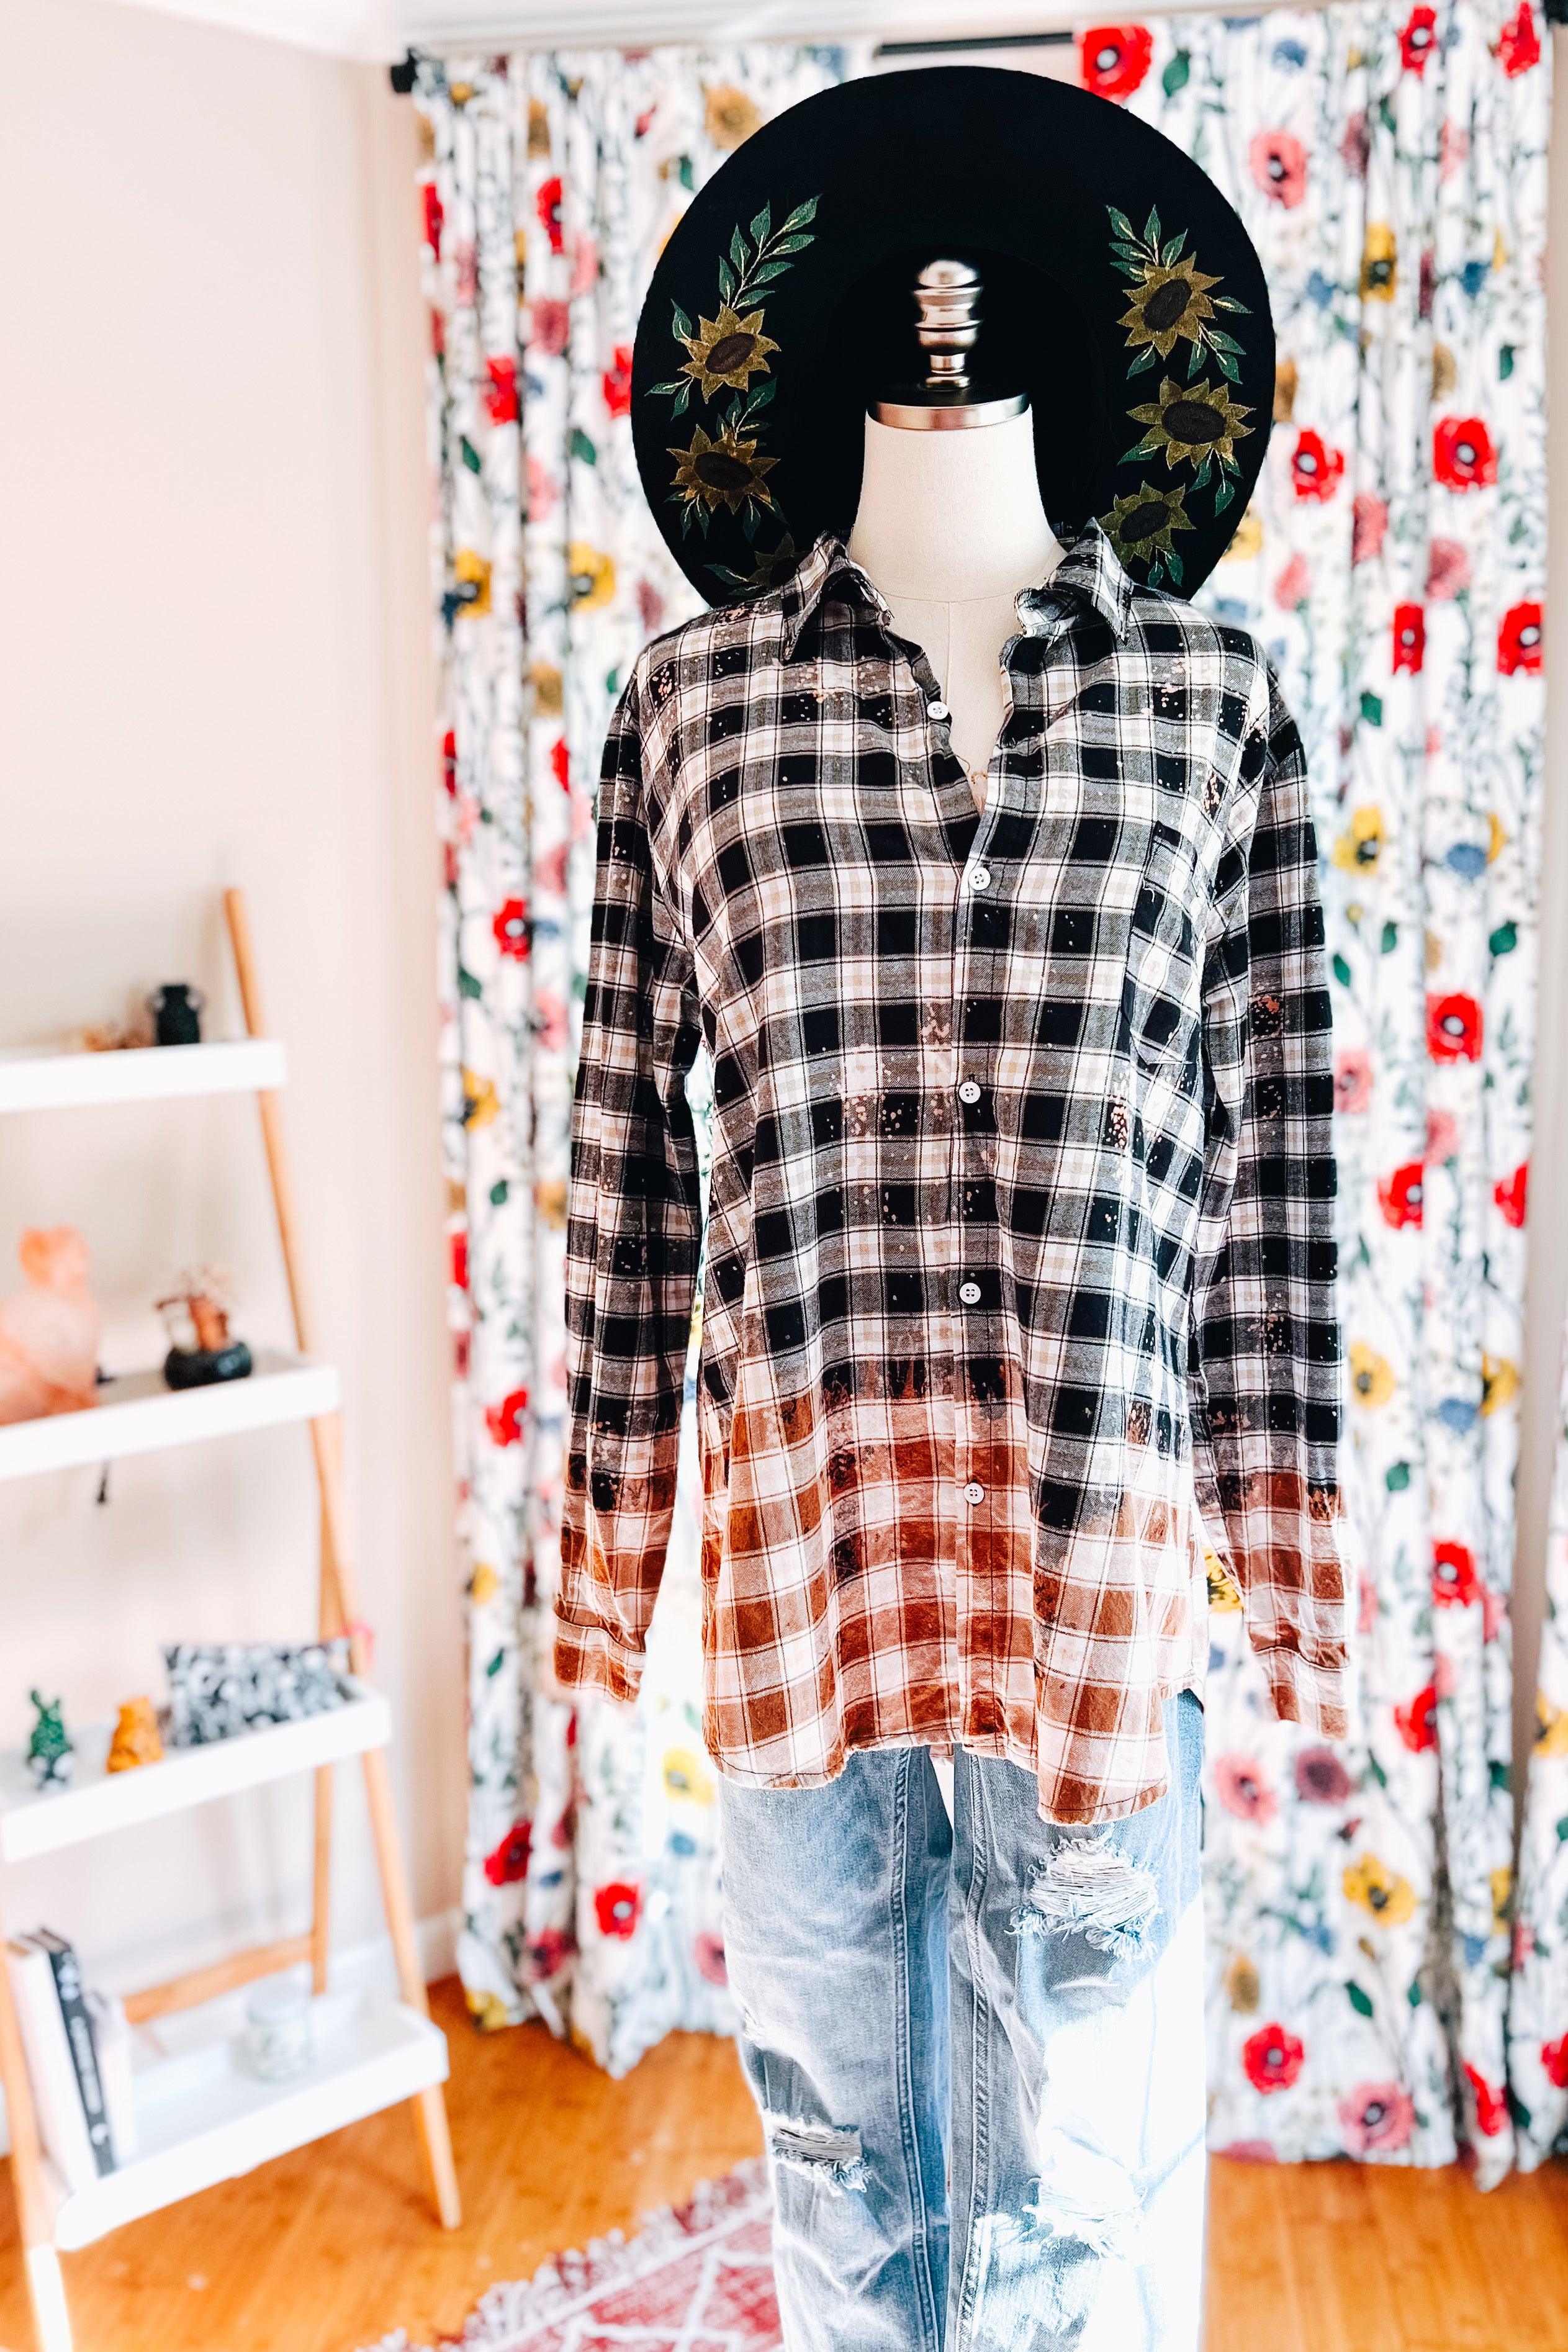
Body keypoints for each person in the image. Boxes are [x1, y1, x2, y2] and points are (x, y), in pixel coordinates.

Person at [554, 67, 1348, 2352]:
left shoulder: (1216, 710)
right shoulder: (687, 713)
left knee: (1078, 2218)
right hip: (808, 1617)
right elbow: (626, 1159)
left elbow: (1278, 1149)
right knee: (851, 2206)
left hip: (1097, 1621)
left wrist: (1281, 1565)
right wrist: (609, 1575)